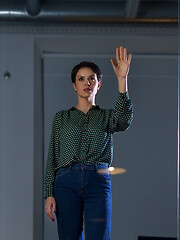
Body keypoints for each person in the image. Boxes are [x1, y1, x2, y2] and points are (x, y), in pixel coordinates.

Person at [44, 46, 133, 240]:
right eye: (81, 79)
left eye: (92, 78)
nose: (87, 83)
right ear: (74, 85)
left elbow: (124, 120)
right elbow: (52, 155)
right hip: (65, 181)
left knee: (100, 237)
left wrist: (122, 79)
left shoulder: (107, 117)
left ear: (99, 84)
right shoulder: (61, 118)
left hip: (98, 180)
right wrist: (48, 193)